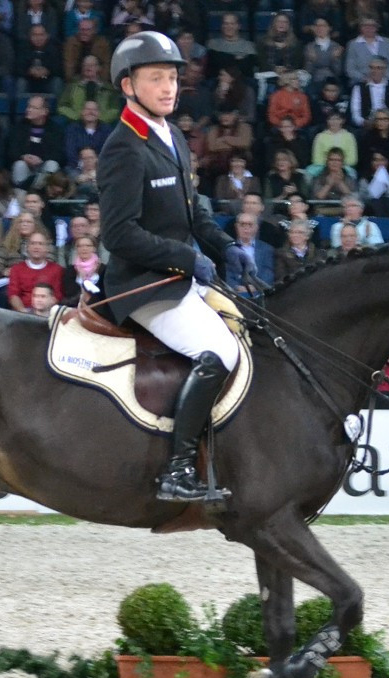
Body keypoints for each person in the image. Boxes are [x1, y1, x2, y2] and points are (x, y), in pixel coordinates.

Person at [99, 31, 255, 502]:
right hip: (144, 287)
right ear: (129, 86)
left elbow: (193, 213)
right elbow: (118, 234)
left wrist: (226, 245)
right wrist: (185, 256)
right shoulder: (123, 147)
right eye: (156, 78)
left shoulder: (173, 137)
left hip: (181, 279)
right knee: (220, 353)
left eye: (172, 77)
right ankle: (178, 469)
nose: (169, 87)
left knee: (252, 332)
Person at [8, 94, 65, 189]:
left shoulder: (55, 129)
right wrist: (23, 157)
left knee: (52, 164)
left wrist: (41, 159)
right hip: (25, 165)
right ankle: (21, 193)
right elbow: (11, 150)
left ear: (44, 111)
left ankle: (39, 192)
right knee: (19, 165)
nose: (28, 110)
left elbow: (59, 154)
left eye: (34, 108)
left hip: (43, 165)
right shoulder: (18, 127)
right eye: (28, 106)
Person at [7, 229, 64, 312]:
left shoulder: (57, 269)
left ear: (47, 248)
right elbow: (13, 295)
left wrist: (41, 312)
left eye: (40, 244)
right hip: (23, 313)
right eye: (33, 243)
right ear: (27, 247)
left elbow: (57, 295)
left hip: (47, 313)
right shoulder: (16, 269)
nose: (36, 247)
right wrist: (23, 312)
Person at [349, 56, 389, 129]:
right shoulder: (358, 87)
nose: (374, 70)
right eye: (372, 67)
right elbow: (355, 113)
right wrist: (363, 122)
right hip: (368, 125)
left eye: (378, 68)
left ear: (385, 70)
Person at [344, 18, 389, 85]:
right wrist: (365, 79)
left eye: (372, 26)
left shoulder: (387, 42)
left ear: (377, 27)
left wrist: (383, 78)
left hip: (386, 81)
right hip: (362, 82)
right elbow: (350, 69)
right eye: (365, 25)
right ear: (360, 28)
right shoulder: (352, 44)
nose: (369, 28)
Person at [230, 212, 274, 287]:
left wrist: (256, 286)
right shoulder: (229, 248)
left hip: (261, 291)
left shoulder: (267, 249)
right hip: (236, 293)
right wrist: (236, 287)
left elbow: (268, 273)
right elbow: (228, 274)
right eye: (242, 224)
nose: (246, 228)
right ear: (236, 226)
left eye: (250, 225)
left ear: (256, 228)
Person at [60, 235, 103, 304]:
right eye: (80, 246)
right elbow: (69, 292)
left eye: (88, 246)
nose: (84, 249)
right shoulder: (70, 271)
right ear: (76, 249)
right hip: (76, 306)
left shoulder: (103, 269)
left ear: (94, 248)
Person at [311, 148, 356, 213]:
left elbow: (353, 198)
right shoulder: (318, 178)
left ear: (342, 163)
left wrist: (340, 183)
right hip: (322, 209)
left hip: (344, 209)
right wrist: (328, 185)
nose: (334, 163)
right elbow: (318, 198)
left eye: (338, 160)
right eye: (331, 160)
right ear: (327, 161)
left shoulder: (349, 178)